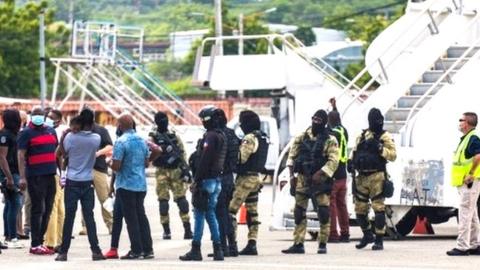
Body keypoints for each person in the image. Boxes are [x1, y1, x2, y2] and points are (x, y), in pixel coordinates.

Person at [282, 109, 339, 254]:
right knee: (299, 212)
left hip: (320, 182)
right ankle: (298, 243)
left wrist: (320, 173)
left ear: (324, 123)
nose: (315, 122)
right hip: (302, 179)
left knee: (324, 213)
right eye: (314, 119)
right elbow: (291, 157)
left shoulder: (330, 140)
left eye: (319, 120)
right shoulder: (302, 137)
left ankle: (322, 243)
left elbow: (333, 161)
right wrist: (291, 177)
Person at [55, 110, 105, 262]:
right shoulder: (96, 138)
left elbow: (59, 154)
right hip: (87, 182)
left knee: (69, 217)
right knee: (89, 217)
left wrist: (64, 137)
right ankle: (95, 251)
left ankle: (63, 252)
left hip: (72, 181)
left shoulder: (70, 137)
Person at [179, 106, 226, 261]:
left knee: (199, 214)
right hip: (217, 180)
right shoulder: (222, 136)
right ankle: (218, 249)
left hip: (206, 181)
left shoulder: (211, 137)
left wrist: (196, 180)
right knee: (211, 214)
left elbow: (205, 160)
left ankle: (196, 248)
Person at [350, 108, 396, 251]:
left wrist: (379, 148)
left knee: (378, 208)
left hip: (377, 176)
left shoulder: (385, 136)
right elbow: (354, 152)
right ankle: (367, 234)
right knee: (359, 210)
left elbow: (393, 155)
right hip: (361, 177)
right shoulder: (362, 136)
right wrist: (350, 163)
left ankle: (379, 239)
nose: (377, 122)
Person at [110, 113, 153, 260]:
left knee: (131, 219)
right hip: (141, 185)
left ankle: (136, 250)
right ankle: (148, 249)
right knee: (141, 217)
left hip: (126, 185)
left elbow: (116, 166)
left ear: (120, 126)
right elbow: (147, 163)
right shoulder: (143, 140)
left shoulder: (121, 142)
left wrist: (110, 161)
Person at [17, 106, 58, 255]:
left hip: (50, 174)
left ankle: (40, 241)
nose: (38, 116)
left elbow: (56, 152)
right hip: (35, 176)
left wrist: (61, 173)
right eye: (35, 114)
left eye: (41, 114)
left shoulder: (51, 131)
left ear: (45, 115)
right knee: (37, 209)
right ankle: (35, 244)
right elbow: (21, 155)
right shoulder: (25, 133)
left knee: (48, 209)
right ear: (31, 116)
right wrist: (22, 177)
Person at [228, 110, 269, 256]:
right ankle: (252, 244)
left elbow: (241, 159)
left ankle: (231, 245)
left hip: (244, 179)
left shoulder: (249, 138)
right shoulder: (263, 137)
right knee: (252, 213)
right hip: (256, 179)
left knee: (230, 211)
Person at [149, 111, 192, 240]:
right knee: (167, 201)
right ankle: (173, 230)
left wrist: (185, 169)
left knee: (177, 200)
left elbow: (182, 154)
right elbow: (150, 148)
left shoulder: (170, 137)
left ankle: (182, 230)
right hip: (166, 170)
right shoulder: (156, 136)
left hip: (170, 170)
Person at [447, 112, 480, 256]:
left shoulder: (473, 138)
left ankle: (462, 246)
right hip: (466, 183)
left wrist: (471, 174)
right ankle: (475, 245)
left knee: (465, 213)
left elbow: (478, 155)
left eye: (461, 120)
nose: (459, 122)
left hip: (469, 183)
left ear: (466, 123)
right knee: (472, 215)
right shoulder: (467, 138)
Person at [210, 108, 239, 257]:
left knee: (219, 214)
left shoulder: (218, 136)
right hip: (230, 178)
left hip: (221, 177)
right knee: (227, 213)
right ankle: (233, 245)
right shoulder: (232, 134)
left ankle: (222, 247)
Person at [80, 112, 113, 235]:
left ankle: (111, 224)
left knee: (104, 198)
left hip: (99, 168)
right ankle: (85, 226)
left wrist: (98, 153)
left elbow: (110, 146)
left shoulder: (101, 130)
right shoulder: (79, 130)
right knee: (85, 199)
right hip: (83, 168)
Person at [327, 98, 350, 243]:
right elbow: (337, 120)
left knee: (332, 204)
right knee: (342, 205)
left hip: (334, 174)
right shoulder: (343, 131)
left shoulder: (332, 134)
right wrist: (335, 108)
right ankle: (345, 233)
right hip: (343, 174)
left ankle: (333, 234)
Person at [0, 109, 24, 249]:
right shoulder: (5, 135)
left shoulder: (13, 134)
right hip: (10, 172)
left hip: (13, 172)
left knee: (10, 204)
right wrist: (8, 177)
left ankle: (8, 235)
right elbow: (2, 157)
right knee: (15, 203)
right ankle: (12, 237)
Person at [44, 109, 67, 251]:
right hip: (58, 173)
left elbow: (59, 155)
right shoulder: (59, 132)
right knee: (59, 208)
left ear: (58, 120)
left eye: (51, 117)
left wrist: (61, 173)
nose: (47, 119)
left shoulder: (56, 132)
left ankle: (51, 242)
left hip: (54, 172)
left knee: (53, 207)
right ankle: (59, 239)